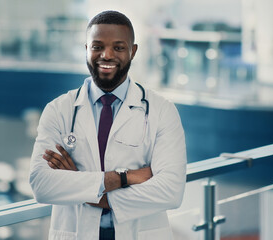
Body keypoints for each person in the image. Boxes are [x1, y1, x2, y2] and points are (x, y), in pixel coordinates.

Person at [29, 10, 187, 240]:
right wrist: (122, 178)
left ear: (133, 51)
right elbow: (42, 185)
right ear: (86, 49)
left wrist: (84, 188)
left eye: (119, 47)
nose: (106, 55)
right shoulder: (59, 110)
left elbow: (171, 191)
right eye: (97, 46)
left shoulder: (162, 110)